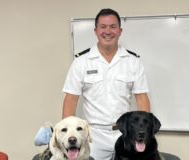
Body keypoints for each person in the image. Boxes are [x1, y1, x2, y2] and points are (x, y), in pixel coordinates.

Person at [62, 8, 150, 160]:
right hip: (93, 136)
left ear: (120, 31)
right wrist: (68, 134)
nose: (108, 31)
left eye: (113, 27)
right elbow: (71, 99)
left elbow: (142, 98)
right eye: (103, 27)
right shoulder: (81, 62)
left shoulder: (133, 62)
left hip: (125, 134)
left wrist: (144, 133)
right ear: (95, 31)